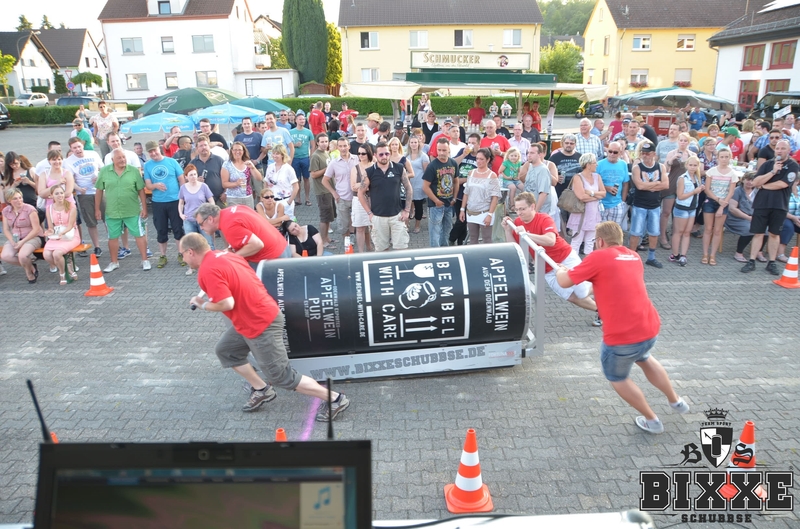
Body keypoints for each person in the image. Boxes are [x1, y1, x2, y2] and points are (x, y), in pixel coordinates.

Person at [180, 233, 350, 419]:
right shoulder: (225, 255)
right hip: (248, 320)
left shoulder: (207, 270)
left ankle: (335, 399)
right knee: (227, 351)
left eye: (182, 254)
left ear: (191, 252)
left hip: (259, 323)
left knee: (282, 377)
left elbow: (226, 303)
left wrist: (202, 304)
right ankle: (262, 389)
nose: (183, 258)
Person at [555, 221, 690, 434]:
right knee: (644, 357)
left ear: (600, 241)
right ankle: (676, 401)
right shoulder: (633, 256)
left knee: (617, 378)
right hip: (648, 328)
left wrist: (561, 271)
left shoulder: (598, 257)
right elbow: (607, 282)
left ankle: (652, 421)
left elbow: (564, 282)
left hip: (622, 337)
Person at [505, 191, 601, 325]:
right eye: (516, 209)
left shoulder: (544, 218)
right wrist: (507, 230)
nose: (519, 213)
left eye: (522, 209)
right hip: (547, 268)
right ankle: (602, 311)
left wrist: (527, 234)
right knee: (571, 297)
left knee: (582, 292)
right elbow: (515, 249)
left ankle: (600, 284)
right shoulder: (517, 222)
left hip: (565, 258)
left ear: (532, 207)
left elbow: (550, 240)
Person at [742, 140, 798, 275]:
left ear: (788, 150)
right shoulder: (767, 164)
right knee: (758, 233)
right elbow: (755, 182)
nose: (779, 151)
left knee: (774, 234)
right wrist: (772, 172)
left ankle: (771, 262)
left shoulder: (793, 166)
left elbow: (783, 184)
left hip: (779, 205)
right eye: (777, 148)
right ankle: (751, 261)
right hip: (762, 204)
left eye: (783, 148)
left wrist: (763, 186)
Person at [96, 148, 150, 272]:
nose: (122, 160)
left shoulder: (134, 171)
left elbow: (141, 190)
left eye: (123, 157)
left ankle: (145, 260)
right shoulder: (104, 171)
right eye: (119, 158)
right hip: (112, 211)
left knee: (139, 235)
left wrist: (144, 207)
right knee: (112, 237)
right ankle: (114, 262)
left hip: (132, 210)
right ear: (112, 160)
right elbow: (99, 190)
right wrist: (97, 209)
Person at [358, 142, 413, 251]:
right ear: (375, 155)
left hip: (397, 216)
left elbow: (409, 188)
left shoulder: (399, 168)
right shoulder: (369, 172)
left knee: (401, 250)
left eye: (387, 154)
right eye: (381, 154)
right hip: (378, 217)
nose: (384, 156)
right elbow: (360, 193)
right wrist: (369, 213)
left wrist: (407, 210)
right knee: (382, 251)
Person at [195, 202, 290, 265]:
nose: (201, 228)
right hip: (282, 247)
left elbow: (257, 244)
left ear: (210, 219)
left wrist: (231, 257)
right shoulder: (234, 209)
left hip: (274, 258)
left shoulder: (229, 225)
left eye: (201, 224)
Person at [143, 140, 186, 269]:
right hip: (158, 202)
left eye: (154, 150)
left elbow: (181, 179)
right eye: (150, 152)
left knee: (178, 228)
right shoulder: (147, 165)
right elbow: (148, 185)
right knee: (161, 229)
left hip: (174, 200)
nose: (153, 153)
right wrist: (155, 185)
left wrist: (183, 197)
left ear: (159, 149)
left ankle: (181, 253)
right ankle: (163, 255)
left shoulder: (172, 162)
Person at [629, 141, 668, 268]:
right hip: (639, 204)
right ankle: (632, 258)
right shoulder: (637, 168)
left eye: (647, 153)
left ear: (653, 154)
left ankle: (651, 258)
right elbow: (639, 186)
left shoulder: (661, 167)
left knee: (654, 232)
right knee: (636, 232)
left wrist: (647, 186)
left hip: (655, 205)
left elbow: (666, 185)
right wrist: (656, 183)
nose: (645, 155)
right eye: (643, 153)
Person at [64, 138, 104, 256]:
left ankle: (114, 243)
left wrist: (99, 177)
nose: (77, 149)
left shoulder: (93, 154)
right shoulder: (68, 162)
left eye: (79, 146)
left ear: (83, 145)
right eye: (74, 148)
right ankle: (97, 246)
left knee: (108, 219)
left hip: (100, 190)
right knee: (91, 222)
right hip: (84, 194)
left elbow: (103, 169)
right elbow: (70, 180)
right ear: (71, 149)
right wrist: (79, 188)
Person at [700, 146, 739, 266]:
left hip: (724, 203)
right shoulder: (711, 171)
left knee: (717, 230)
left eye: (726, 157)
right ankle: (705, 254)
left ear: (730, 158)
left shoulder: (733, 174)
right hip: (711, 201)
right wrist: (717, 199)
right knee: (708, 229)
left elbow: (731, 192)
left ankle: (713, 255)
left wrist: (722, 206)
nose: (724, 159)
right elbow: (707, 189)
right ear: (717, 158)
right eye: (722, 157)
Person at [459, 148, 501, 245]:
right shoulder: (471, 173)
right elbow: (466, 192)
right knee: (473, 238)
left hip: (485, 212)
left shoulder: (492, 176)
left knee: (487, 239)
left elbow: (495, 197)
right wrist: (462, 209)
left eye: (481, 159)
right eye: (477, 158)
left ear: (488, 160)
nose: (478, 161)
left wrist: (490, 214)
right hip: (471, 211)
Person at [668, 156, 704, 267]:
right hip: (682, 208)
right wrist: (694, 192)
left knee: (687, 232)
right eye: (691, 165)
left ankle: (683, 255)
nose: (692, 167)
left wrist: (700, 189)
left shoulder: (697, 177)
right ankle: (675, 254)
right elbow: (680, 196)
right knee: (678, 232)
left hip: (692, 208)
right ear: (686, 165)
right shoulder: (682, 178)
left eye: (695, 165)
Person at [323, 137, 359, 247]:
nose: (343, 148)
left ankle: (353, 237)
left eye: (345, 146)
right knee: (344, 224)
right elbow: (325, 180)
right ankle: (347, 244)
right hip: (342, 198)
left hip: (357, 197)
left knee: (356, 220)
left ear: (349, 146)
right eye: (340, 146)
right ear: (337, 147)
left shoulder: (357, 159)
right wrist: (334, 193)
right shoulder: (334, 163)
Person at [659, 133, 692, 250]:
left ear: (688, 142)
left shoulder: (692, 155)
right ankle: (662, 236)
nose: (683, 143)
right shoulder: (671, 153)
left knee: (679, 212)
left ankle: (676, 236)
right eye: (681, 140)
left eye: (685, 141)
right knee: (666, 212)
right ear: (678, 141)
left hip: (685, 187)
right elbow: (665, 169)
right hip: (672, 185)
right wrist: (672, 159)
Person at [422, 137, 458, 247]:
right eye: (439, 150)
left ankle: (445, 251)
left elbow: (456, 181)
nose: (441, 153)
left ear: (449, 150)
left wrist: (454, 198)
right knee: (435, 233)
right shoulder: (432, 166)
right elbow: (425, 187)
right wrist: (436, 201)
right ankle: (435, 253)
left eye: (444, 150)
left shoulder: (453, 163)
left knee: (447, 231)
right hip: (435, 206)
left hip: (449, 204)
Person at [1, 188, 42, 283]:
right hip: (16, 237)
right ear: (9, 200)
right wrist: (12, 240)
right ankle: (30, 266)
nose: (19, 200)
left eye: (20, 198)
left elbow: (36, 229)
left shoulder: (30, 209)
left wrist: (22, 242)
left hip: (32, 236)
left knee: (22, 256)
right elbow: (6, 229)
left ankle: (29, 273)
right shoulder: (6, 211)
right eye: (15, 198)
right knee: (5, 256)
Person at [178, 163, 216, 267]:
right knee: (190, 244)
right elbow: (181, 203)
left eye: (195, 174)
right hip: (189, 220)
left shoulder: (204, 186)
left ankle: (213, 264)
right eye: (190, 175)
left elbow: (211, 200)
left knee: (208, 242)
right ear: (186, 177)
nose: (193, 177)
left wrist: (211, 213)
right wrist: (181, 214)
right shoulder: (183, 188)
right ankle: (192, 266)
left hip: (203, 220)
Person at [42, 185, 80, 285]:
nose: (60, 195)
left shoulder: (71, 206)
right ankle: (68, 269)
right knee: (46, 255)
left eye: (61, 193)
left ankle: (62, 273)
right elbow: (51, 227)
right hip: (57, 234)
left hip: (70, 235)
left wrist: (62, 233)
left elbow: (71, 225)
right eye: (57, 193)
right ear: (51, 196)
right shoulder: (49, 208)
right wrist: (49, 232)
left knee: (56, 254)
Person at [725, 174, 764, 263]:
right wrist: (748, 218)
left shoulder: (757, 191)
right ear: (743, 180)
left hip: (753, 218)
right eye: (748, 179)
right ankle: (739, 253)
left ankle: (759, 251)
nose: (750, 182)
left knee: (765, 229)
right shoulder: (737, 191)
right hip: (736, 218)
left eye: (752, 180)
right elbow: (732, 209)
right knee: (749, 228)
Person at [309, 134, 334, 248]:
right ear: (317, 143)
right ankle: (323, 241)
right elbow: (313, 174)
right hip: (321, 191)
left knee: (328, 216)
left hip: (329, 189)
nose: (324, 144)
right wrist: (327, 169)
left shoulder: (326, 153)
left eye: (326, 141)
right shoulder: (315, 156)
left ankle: (327, 238)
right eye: (322, 142)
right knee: (324, 217)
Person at [597, 142, 630, 226]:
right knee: (601, 230)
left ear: (620, 153)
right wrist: (606, 188)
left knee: (614, 231)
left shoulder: (623, 164)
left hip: (617, 204)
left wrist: (623, 201)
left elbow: (625, 183)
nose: (612, 154)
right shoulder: (599, 164)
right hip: (600, 203)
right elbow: (593, 183)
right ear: (607, 151)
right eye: (610, 151)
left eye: (615, 152)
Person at [350, 143, 374, 252]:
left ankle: (374, 249)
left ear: (369, 153)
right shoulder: (355, 168)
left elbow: (379, 184)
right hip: (358, 201)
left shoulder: (375, 166)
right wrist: (368, 184)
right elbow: (353, 186)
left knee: (374, 227)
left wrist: (361, 185)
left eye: (363, 153)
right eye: (358, 153)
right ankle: (361, 253)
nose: (360, 155)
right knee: (360, 228)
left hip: (374, 200)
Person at [520, 143, 555, 219]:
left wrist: (535, 212)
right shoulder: (530, 166)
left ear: (540, 155)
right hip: (529, 208)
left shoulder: (543, 170)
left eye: (532, 153)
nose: (529, 155)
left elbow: (543, 193)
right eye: (528, 153)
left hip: (539, 212)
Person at [264, 145, 299, 220]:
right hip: (272, 201)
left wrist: (289, 202)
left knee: (288, 223)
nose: (274, 156)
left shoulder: (288, 169)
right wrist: (265, 197)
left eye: (277, 154)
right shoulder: (270, 167)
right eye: (273, 153)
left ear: (282, 155)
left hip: (285, 201)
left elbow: (296, 187)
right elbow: (266, 183)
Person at [190, 135, 226, 207]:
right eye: (201, 146)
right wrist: (196, 181)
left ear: (209, 146)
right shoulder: (193, 163)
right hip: (200, 201)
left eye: (205, 145)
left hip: (219, 199)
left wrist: (225, 192)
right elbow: (187, 180)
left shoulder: (219, 160)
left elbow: (227, 177)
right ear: (197, 148)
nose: (204, 147)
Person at [223, 142, 261, 209]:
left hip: (247, 196)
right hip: (233, 198)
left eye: (240, 150)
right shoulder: (227, 164)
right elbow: (224, 184)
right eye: (235, 150)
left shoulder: (247, 163)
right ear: (231, 151)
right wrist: (236, 183)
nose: (237, 152)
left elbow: (259, 178)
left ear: (243, 151)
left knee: (248, 215)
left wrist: (253, 168)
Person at [289, 112, 315, 206]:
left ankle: (307, 198)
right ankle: (298, 199)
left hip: (305, 158)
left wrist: (311, 157)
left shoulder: (308, 132)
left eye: (304, 119)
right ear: (296, 120)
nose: (302, 121)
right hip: (295, 158)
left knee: (306, 178)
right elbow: (287, 145)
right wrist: (295, 145)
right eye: (300, 119)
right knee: (297, 179)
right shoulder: (291, 132)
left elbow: (313, 145)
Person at [407, 135, 429, 235]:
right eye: (412, 142)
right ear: (409, 144)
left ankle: (417, 225)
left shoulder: (423, 156)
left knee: (418, 205)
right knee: (407, 205)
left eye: (415, 142)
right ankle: (406, 224)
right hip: (408, 184)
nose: (413, 144)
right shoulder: (406, 156)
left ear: (418, 143)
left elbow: (426, 172)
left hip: (419, 184)